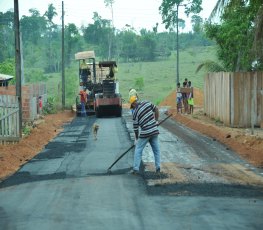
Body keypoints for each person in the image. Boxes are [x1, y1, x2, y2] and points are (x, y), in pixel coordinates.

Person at [129, 95, 161, 174]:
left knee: (138, 149)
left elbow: (136, 128)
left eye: (132, 106)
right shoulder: (147, 102)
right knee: (156, 150)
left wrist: (136, 139)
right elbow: (156, 109)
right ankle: (158, 168)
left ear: (133, 104)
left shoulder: (135, 113)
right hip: (154, 131)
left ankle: (136, 169)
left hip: (145, 133)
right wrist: (156, 121)